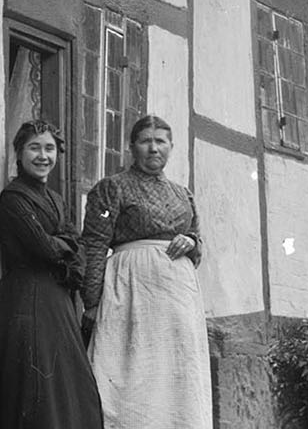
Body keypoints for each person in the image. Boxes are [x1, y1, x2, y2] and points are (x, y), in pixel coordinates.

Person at [79, 115, 209, 429]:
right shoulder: (112, 188)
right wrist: (92, 302)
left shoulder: (183, 194)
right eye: (145, 141)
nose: (153, 148)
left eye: (160, 141)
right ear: (132, 146)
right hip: (131, 293)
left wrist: (191, 242)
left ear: (171, 147)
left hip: (177, 300)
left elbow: (198, 242)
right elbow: (94, 245)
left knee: (177, 374)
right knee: (134, 375)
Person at [0, 120, 104, 429]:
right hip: (27, 299)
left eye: (49, 148)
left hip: (58, 300)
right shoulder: (14, 198)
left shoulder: (56, 199)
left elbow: (77, 248)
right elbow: (43, 247)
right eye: (34, 148)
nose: (43, 156)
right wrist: (66, 246)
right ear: (19, 153)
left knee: (72, 385)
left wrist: (66, 247)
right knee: (35, 386)